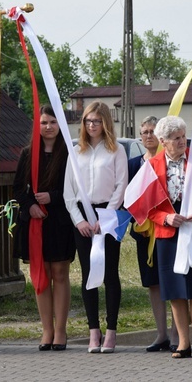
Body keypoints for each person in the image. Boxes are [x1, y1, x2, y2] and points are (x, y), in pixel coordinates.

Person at [145, 116, 192, 359]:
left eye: (183, 136)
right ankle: (183, 343)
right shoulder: (152, 165)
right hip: (168, 235)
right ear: (163, 141)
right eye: (176, 138)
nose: (182, 141)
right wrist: (165, 218)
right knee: (175, 290)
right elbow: (146, 207)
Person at [64, 101, 128, 353]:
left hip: (107, 217)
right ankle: (94, 331)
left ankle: (111, 331)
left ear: (105, 123)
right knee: (89, 274)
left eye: (97, 121)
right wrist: (79, 220)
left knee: (110, 275)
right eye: (88, 121)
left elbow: (121, 185)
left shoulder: (116, 150)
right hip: (82, 219)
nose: (92, 125)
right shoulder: (76, 151)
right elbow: (69, 192)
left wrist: (107, 217)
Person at [13, 105, 74, 351]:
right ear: (37, 126)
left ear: (60, 126)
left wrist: (53, 197)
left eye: (52, 122)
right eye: (44, 123)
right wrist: (30, 207)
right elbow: (18, 189)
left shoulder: (70, 153)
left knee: (59, 274)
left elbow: (76, 189)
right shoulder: (28, 154)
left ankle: (60, 331)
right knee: (40, 276)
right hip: (36, 223)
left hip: (60, 220)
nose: (48, 127)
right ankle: (46, 330)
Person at [128, 116, 179, 352]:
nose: (148, 135)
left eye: (151, 131)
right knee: (153, 283)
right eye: (144, 131)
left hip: (168, 229)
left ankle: (177, 333)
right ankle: (161, 334)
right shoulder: (134, 164)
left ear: (160, 136)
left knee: (174, 281)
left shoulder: (168, 162)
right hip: (144, 233)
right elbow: (128, 198)